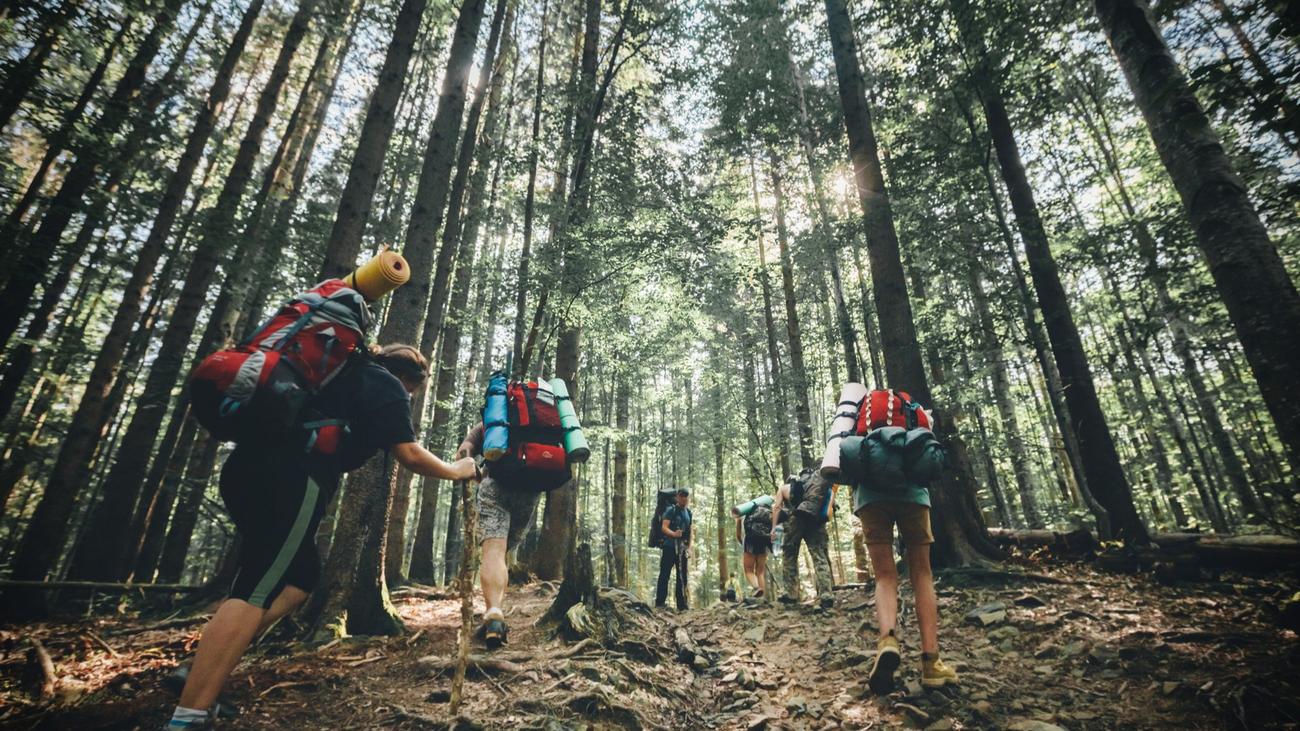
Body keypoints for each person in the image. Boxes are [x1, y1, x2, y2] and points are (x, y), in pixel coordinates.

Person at [167, 345, 478, 730]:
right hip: (294, 480)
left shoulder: (335, 375)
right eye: (414, 389)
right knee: (257, 586)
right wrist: (457, 470)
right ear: (410, 379)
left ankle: (202, 669)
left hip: (247, 470)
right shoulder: (387, 386)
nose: (411, 397)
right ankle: (188, 716)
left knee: (300, 578)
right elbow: (410, 454)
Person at [856, 455, 958, 694]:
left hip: (870, 497)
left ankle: (888, 640)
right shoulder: (916, 413)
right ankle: (931, 662)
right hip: (913, 493)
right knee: (922, 574)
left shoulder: (853, 415)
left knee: (884, 576)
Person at [454, 421, 559, 649]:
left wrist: (473, 472)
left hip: (495, 486)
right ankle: (497, 617)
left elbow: (462, 452)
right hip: (530, 492)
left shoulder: (492, 420)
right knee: (503, 552)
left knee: (494, 550)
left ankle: (494, 613)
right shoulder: (542, 422)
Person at [771, 469, 835, 609]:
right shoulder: (818, 487)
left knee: (789, 554)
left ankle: (790, 594)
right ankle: (826, 594)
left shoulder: (785, 488)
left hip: (797, 519)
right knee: (819, 555)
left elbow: (776, 507)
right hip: (815, 519)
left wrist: (774, 528)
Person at [655, 488, 692, 610]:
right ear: (677, 497)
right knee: (665, 574)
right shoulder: (671, 510)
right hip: (669, 547)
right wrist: (674, 534)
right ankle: (660, 603)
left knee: (682, 576)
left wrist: (689, 547)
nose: (684, 498)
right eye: (681, 496)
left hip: (682, 549)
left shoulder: (689, 513)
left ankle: (682, 605)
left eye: (686, 496)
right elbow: (664, 527)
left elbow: (689, 531)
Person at [735, 502, 771, 599]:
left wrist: (743, 543)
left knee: (748, 570)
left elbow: (738, 535)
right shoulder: (766, 512)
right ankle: (762, 599)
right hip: (764, 541)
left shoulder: (743, 514)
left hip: (750, 541)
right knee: (760, 572)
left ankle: (756, 588)